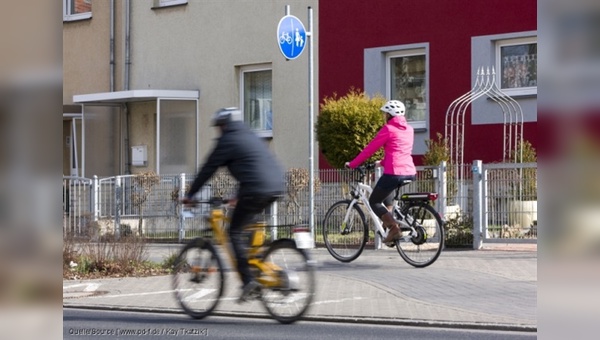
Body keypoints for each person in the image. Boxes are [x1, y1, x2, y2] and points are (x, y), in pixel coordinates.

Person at [182, 107, 285, 302]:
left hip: (255, 188)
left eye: (219, 127)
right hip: (276, 185)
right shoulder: (250, 136)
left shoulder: (227, 140)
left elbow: (208, 168)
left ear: (223, 125)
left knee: (234, 233)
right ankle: (257, 264)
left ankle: (248, 281)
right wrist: (237, 194)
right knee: (249, 225)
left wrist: (191, 194)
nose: (218, 131)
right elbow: (252, 167)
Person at [345, 100, 416, 244]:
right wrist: (380, 163)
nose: (384, 116)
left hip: (394, 173)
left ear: (390, 115)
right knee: (386, 197)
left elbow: (369, 150)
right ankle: (389, 226)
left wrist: (353, 164)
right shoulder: (409, 129)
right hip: (409, 171)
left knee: (374, 201)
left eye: (385, 114)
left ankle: (393, 227)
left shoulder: (388, 129)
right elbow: (399, 151)